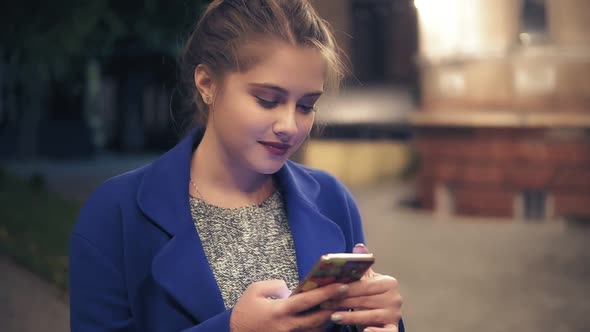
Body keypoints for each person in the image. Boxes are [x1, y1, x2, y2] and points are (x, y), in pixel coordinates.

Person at [69, 0, 404, 331]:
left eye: (305, 105)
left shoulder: (332, 199)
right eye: (267, 100)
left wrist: (383, 320)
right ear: (207, 84)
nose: (289, 125)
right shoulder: (115, 213)